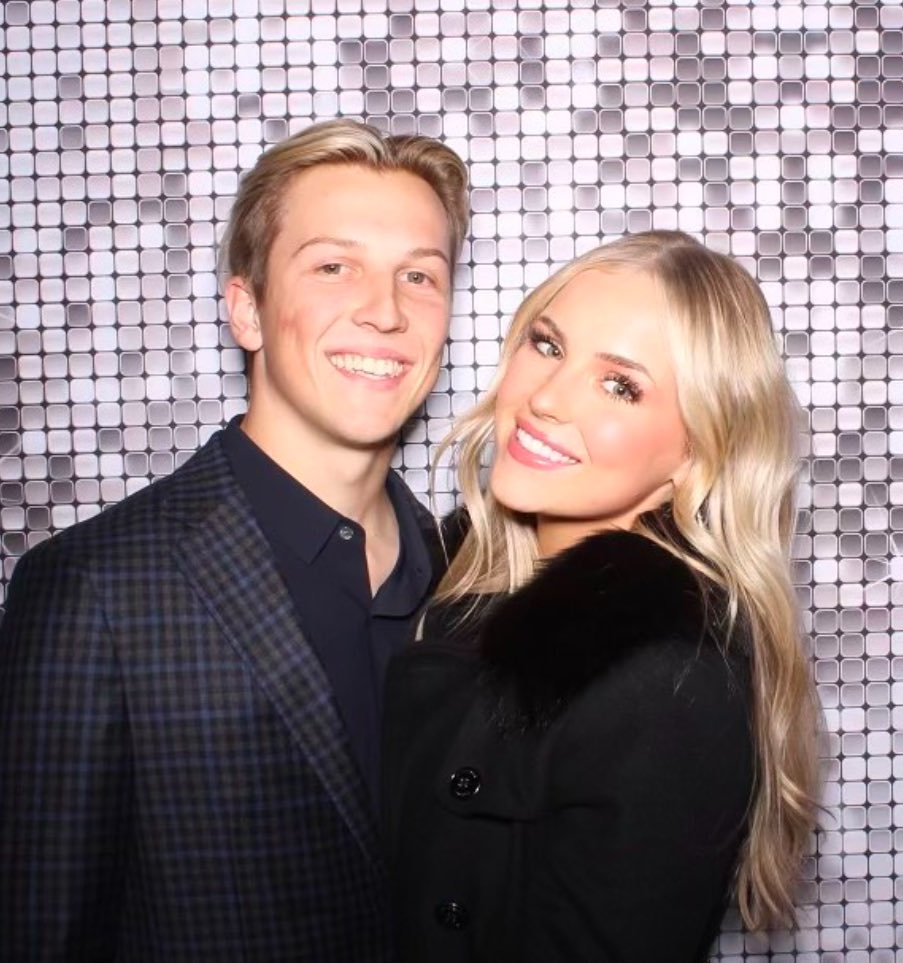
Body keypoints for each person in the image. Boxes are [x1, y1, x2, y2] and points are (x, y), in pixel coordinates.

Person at [0, 119, 468, 962]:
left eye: (418, 275)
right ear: (246, 309)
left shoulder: (470, 575)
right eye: (333, 267)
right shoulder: (96, 590)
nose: (386, 311)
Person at [382, 230, 820, 962]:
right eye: (547, 345)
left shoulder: (664, 681)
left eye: (620, 386)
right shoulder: (458, 581)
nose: (545, 398)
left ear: (696, 453)